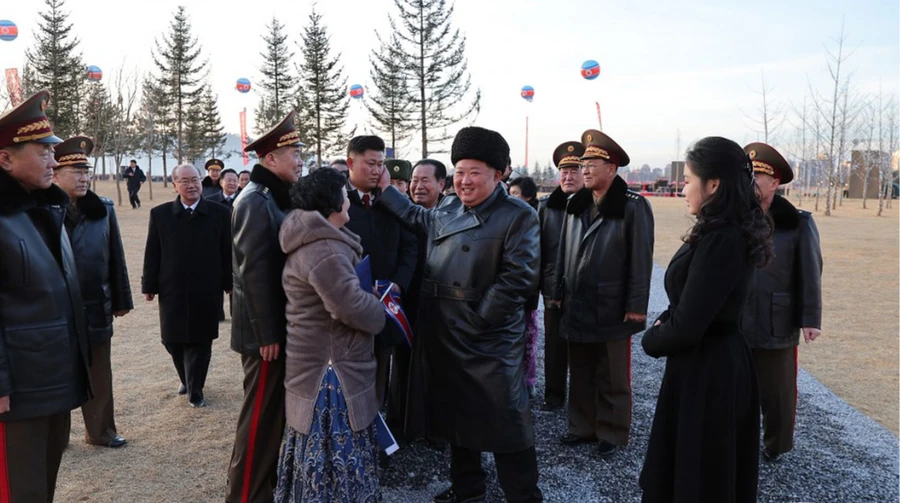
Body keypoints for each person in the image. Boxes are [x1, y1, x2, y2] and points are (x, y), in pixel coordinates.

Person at [376, 126, 543, 503]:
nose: (464, 181)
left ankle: (524, 495)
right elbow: (417, 217)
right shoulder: (448, 205)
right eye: (460, 172)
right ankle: (468, 490)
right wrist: (387, 187)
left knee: (507, 424)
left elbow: (519, 278)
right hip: (444, 332)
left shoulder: (518, 216)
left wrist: (480, 319)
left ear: (498, 175)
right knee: (456, 418)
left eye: (475, 173)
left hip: (489, 339)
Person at [640, 136, 773, 502]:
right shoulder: (717, 230)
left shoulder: (722, 239)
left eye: (688, 179)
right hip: (704, 365)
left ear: (713, 184)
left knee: (699, 477)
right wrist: (670, 319)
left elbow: (690, 324)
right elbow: (691, 303)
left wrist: (651, 339)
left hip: (710, 373)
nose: (683, 188)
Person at [0, 90, 91, 502]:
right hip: (17, 389)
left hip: (53, 378)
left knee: (43, 487)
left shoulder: (48, 210)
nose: (55, 161)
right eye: (43, 152)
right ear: (6, 159)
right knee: (20, 489)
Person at [275, 168, 386, 503]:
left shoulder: (318, 242)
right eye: (345, 191)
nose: (349, 196)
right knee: (333, 457)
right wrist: (381, 311)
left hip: (319, 363)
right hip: (330, 373)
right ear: (333, 202)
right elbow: (348, 306)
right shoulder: (325, 250)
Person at [556, 129, 654, 458]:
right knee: (580, 369)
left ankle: (612, 431)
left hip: (612, 304)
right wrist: (557, 290)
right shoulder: (574, 204)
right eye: (583, 164)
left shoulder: (633, 207)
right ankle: (582, 426)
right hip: (577, 301)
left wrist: (636, 305)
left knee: (612, 373)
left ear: (612, 169)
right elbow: (563, 253)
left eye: (592, 163)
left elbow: (641, 259)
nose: (584, 169)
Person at [227, 111, 304, 503]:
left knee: (273, 418)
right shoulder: (255, 200)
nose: (301, 158)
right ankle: (245, 495)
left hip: (275, 329)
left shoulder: (274, 196)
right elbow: (252, 272)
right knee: (258, 419)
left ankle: (264, 490)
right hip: (265, 335)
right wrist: (267, 332)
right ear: (270, 158)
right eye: (293, 151)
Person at [743, 142, 823, 463]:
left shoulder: (797, 222)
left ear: (774, 183)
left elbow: (811, 272)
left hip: (778, 318)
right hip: (738, 319)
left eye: (757, 178)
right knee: (738, 387)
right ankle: (740, 438)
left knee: (778, 393)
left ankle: (776, 444)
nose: (750, 184)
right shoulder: (736, 219)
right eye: (746, 177)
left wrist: (810, 318)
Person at [53, 136, 132, 448]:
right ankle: (56, 438)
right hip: (57, 311)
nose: (84, 177)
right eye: (76, 171)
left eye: (86, 171)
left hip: (95, 304)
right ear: (55, 174)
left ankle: (101, 432)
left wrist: (122, 299)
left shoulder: (103, 210)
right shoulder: (40, 211)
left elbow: (116, 257)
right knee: (57, 374)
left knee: (99, 372)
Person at [142, 164, 232, 408]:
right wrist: (148, 285)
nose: (191, 185)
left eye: (195, 180)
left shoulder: (220, 213)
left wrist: (229, 284)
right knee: (171, 339)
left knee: (201, 340)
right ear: (174, 185)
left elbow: (227, 252)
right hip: (172, 287)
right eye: (185, 181)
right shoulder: (160, 214)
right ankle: (186, 377)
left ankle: (196, 390)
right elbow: (153, 252)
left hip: (207, 287)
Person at [344, 136, 418, 435]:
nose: (376, 170)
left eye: (380, 164)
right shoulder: (334, 201)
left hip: (386, 304)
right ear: (351, 163)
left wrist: (399, 283)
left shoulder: (392, 204)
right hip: (346, 308)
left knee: (378, 372)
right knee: (347, 375)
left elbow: (410, 247)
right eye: (370, 163)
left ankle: (375, 438)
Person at [538, 141, 585, 411]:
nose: (568, 177)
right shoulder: (547, 207)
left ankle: (581, 400)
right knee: (553, 346)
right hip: (552, 287)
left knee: (581, 348)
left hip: (581, 288)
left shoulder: (593, 205)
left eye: (574, 170)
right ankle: (553, 395)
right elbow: (537, 251)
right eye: (564, 171)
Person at [508, 176, 540, 398]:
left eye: (516, 194)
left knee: (528, 337)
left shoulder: (533, 218)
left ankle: (528, 381)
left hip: (527, 291)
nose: (512, 198)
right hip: (510, 294)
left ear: (529, 196)